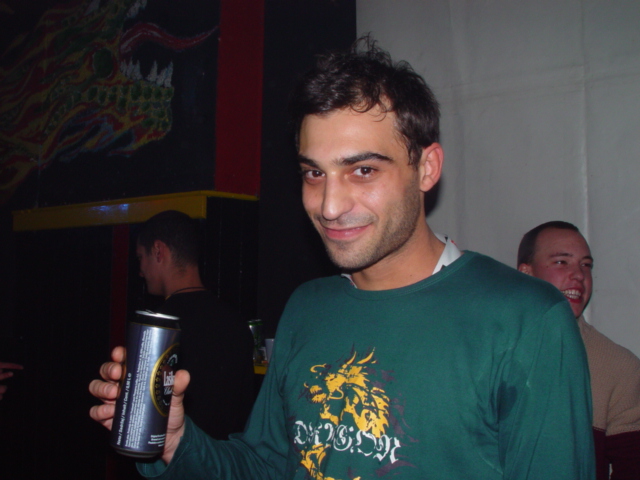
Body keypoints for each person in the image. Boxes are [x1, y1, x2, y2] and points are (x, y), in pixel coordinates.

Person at [90, 38, 595, 479]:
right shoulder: (308, 307)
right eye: (314, 173)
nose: (329, 206)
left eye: (363, 171)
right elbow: (266, 467)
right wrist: (175, 442)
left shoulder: (526, 321)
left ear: (426, 168)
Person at [518, 220, 640, 480]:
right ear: (526, 273)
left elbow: (633, 466)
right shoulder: (486, 349)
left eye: (586, 265)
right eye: (562, 262)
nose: (579, 275)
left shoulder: (619, 366)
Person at [133, 210, 254, 439]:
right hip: (229, 457)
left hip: (178, 455)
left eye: (140, 258)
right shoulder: (236, 322)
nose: (141, 271)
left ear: (158, 250)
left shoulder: (156, 331)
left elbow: (144, 421)